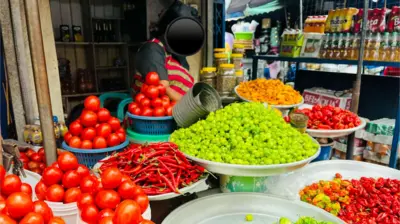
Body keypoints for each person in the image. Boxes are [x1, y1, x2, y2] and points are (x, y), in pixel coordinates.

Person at [132, 0, 202, 102]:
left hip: (178, 114)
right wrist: (193, 106)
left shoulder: (175, 55)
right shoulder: (152, 49)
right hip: (158, 115)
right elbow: (163, 89)